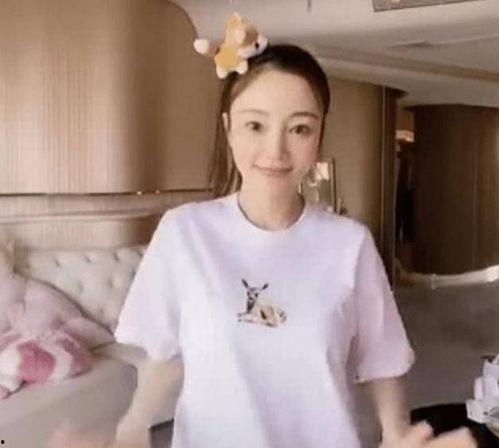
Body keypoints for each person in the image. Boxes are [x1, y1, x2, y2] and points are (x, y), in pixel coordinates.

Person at [51, 43, 476, 448]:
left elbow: (383, 358)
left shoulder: (349, 244)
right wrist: (132, 427)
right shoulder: (185, 233)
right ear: (228, 128)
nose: (276, 150)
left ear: (319, 135)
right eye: (255, 125)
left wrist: (396, 433)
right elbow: (167, 353)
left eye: (299, 128)